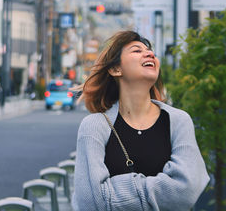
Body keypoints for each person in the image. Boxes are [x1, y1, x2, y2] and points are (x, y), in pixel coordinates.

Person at [72, 31, 209, 210]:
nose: (149, 54)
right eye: (136, 51)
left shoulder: (178, 121)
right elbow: (88, 202)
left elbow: (187, 190)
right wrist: (163, 189)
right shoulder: (94, 126)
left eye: (150, 51)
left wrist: (111, 194)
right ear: (115, 69)